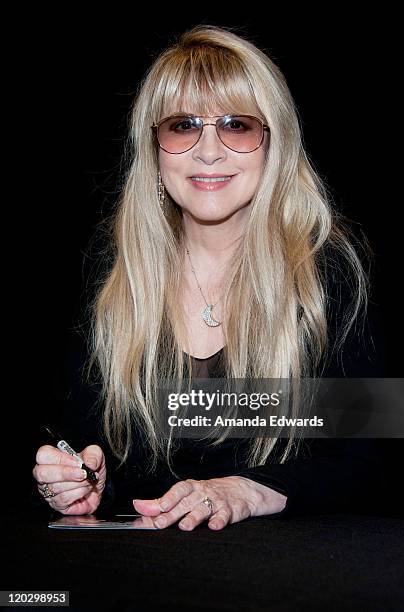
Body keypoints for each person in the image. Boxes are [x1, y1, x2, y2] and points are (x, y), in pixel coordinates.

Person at [31, 25, 384, 530]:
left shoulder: (330, 276)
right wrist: (81, 481)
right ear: (154, 148)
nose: (209, 149)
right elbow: (91, 447)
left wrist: (249, 489)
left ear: (273, 143)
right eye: (183, 125)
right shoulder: (117, 282)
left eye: (236, 124)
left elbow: (368, 467)